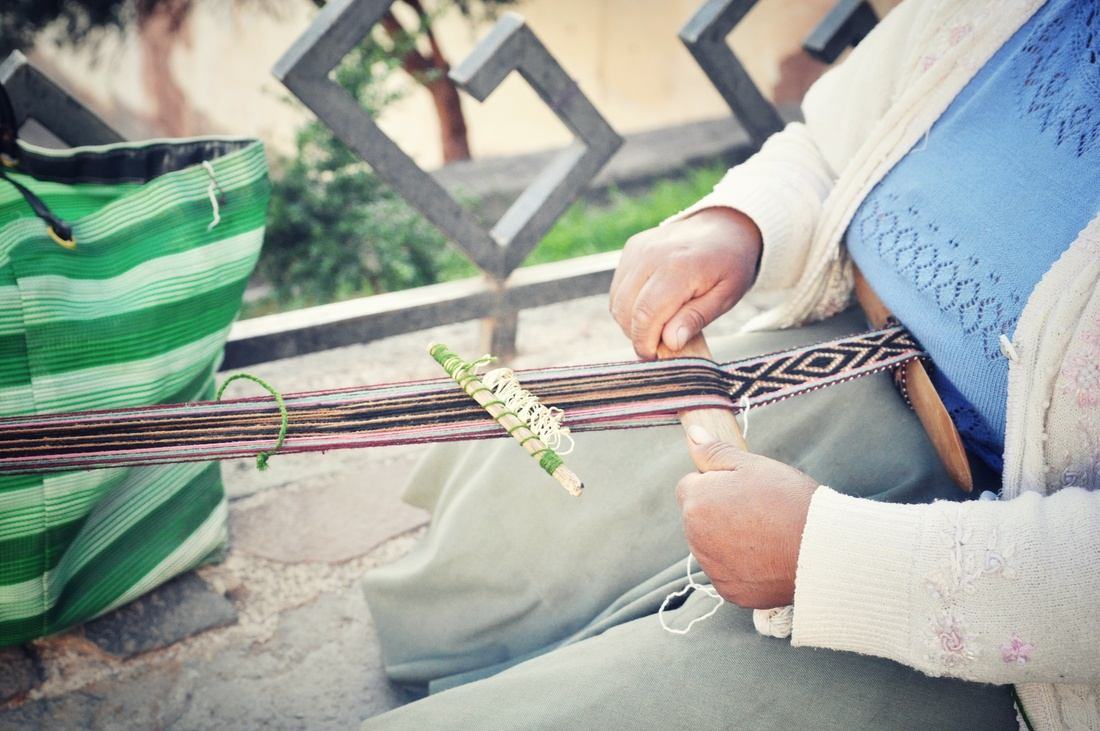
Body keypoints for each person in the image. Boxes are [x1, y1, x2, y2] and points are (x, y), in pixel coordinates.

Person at [361, 0, 1100, 727]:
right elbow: (827, 146)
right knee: (520, 500)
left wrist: (837, 560)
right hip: (860, 362)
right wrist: (739, 222)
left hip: (994, 577)